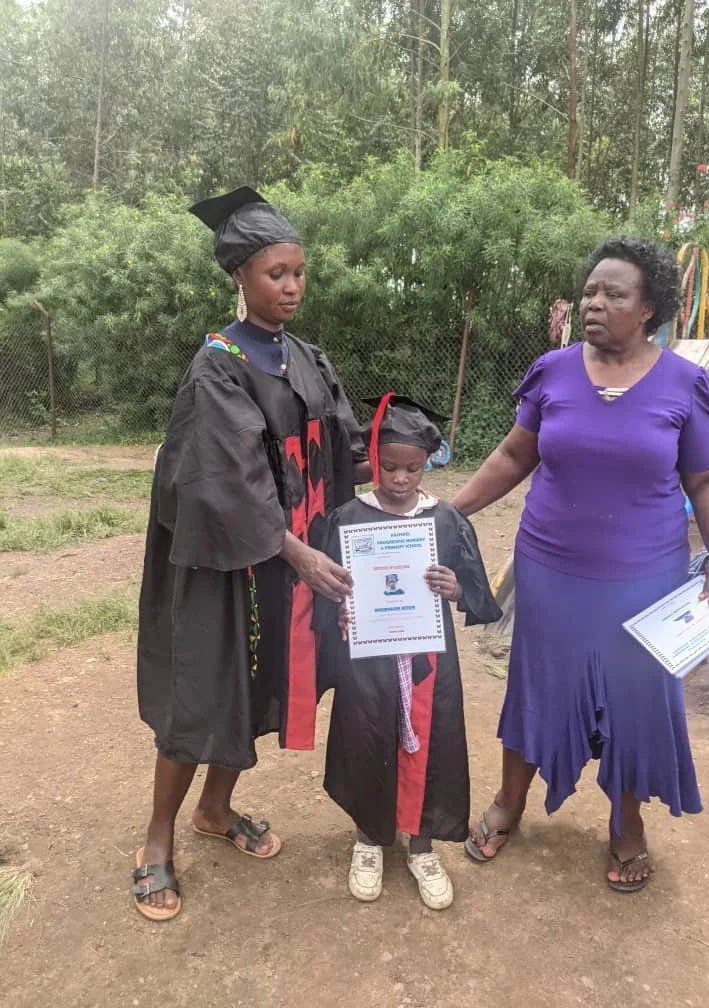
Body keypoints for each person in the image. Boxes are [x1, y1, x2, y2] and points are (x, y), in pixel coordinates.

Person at [453, 237, 709, 892]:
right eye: (590, 291)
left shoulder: (683, 384)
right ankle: (509, 804)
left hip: (644, 581)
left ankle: (627, 825)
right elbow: (513, 455)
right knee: (538, 685)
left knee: (635, 700)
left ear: (648, 308)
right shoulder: (553, 372)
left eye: (614, 294)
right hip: (550, 570)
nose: (595, 303)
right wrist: (452, 510)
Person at [133, 187, 370, 921]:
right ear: (240, 275)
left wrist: (401, 468)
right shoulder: (219, 365)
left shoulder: (305, 357)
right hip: (228, 562)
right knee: (205, 690)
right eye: (276, 274)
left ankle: (215, 809)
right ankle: (156, 840)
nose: (292, 287)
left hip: (292, 563)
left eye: (299, 272)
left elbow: (342, 447)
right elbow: (222, 482)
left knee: (258, 689)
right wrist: (296, 553)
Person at [315, 394, 501, 910]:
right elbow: (325, 590)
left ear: (428, 463)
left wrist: (454, 588)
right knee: (365, 738)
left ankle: (422, 847)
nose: (400, 478)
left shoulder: (445, 520)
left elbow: (476, 593)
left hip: (427, 661)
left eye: (412, 468)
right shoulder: (348, 517)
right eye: (389, 466)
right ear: (373, 458)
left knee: (431, 744)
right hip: (367, 659)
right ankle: (369, 840)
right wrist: (340, 611)